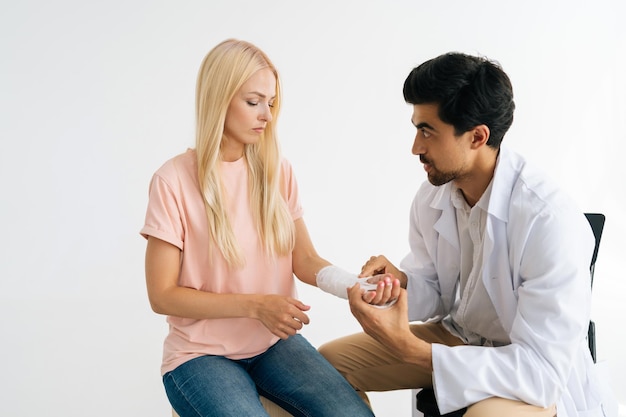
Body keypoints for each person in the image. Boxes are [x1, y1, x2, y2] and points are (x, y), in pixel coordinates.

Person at [316, 52, 618, 417]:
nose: (416, 147)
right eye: (415, 128)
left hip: (529, 370)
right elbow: (439, 292)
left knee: (485, 416)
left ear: (478, 137)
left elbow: (541, 373)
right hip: (462, 338)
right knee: (324, 368)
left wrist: (415, 352)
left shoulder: (549, 220)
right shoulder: (433, 195)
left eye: (427, 130)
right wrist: (403, 284)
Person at [139, 39, 374, 417]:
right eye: (253, 102)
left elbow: (306, 258)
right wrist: (256, 306)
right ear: (219, 98)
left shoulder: (276, 171)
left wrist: (354, 286)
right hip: (198, 355)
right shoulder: (173, 181)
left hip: (271, 345)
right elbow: (162, 295)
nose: (266, 114)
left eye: (271, 102)